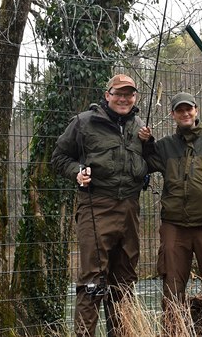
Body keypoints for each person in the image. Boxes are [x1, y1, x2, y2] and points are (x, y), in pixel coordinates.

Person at [51, 74, 150, 337]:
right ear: (107, 95)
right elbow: (59, 157)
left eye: (129, 94)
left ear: (135, 98)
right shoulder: (84, 123)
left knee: (124, 282)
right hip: (96, 206)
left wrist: (148, 149)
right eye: (118, 93)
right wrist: (77, 171)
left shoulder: (139, 126)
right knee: (92, 281)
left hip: (130, 209)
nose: (123, 99)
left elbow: (147, 161)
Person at [141, 92, 202, 336]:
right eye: (179, 110)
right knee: (172, 290)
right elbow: (144, 163)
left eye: (189, 109)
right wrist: (145, 142)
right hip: (174, 226)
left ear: (196, 111)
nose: (185, 113)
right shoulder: (164, 146)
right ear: (173, 115)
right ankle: (174, 332)